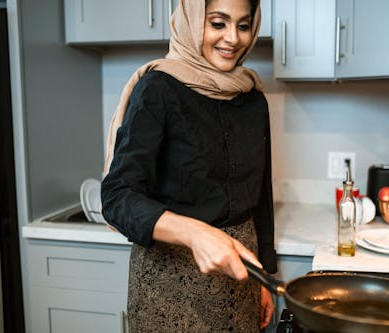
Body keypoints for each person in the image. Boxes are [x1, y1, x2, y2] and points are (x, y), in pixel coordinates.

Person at [101, 0, 277, 331]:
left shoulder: (254, 100)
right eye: (218, 23)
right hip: (170, 282)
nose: (233, 39)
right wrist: (196, 234)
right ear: (192, 21)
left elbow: (261, 195)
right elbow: (117, 199)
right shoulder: (158, 89)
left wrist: (265, 276)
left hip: (241, 278)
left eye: (243, 25)